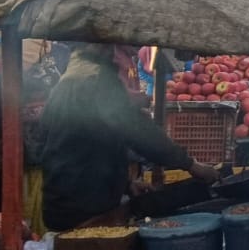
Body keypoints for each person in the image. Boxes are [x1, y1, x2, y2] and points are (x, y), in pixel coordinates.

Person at [41, 44, 219, 231]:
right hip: (80, 205)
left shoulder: (75, 74)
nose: (134, 50)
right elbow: (136, 130)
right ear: (103, 44)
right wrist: (190, 164)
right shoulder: (96, 78)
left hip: (67, 197)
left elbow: (84, 141)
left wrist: (125, 184)